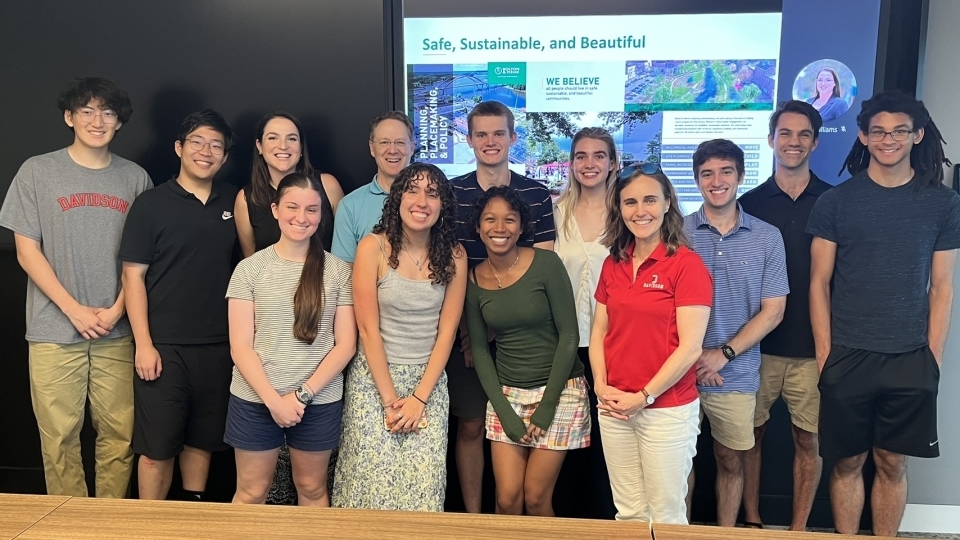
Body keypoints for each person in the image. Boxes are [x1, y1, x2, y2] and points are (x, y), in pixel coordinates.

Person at [807, 91, 960, 537]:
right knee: (848, 461)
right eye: (878, 132)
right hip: (848, 355)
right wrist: (825, 355)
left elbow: (943, 286)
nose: (887, 140)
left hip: (910, 355)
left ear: (917, 135)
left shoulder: (942, 204)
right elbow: (819, 283)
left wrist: (932, 357)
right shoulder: (837, 201)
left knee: (892, 461)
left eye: (898, 131)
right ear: (863, 136)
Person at [0, 77, 152, 497]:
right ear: (70, 117)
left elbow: (143, 258)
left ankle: (108, 522)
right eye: (86, 111)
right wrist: (73, 309)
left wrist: (119, 309)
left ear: (119, 122)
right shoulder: (37, 171)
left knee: (120, 437)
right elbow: (26, 251)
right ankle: (69, 523)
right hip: (53, 329)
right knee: (59, 438)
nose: (97, 120)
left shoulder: (135, 178)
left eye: (107, 112)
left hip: (116, 330)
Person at [333, 163, 466, 511]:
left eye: (432, 193)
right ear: (398, 198)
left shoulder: (455, 256)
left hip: (428, 383)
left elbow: (447, 332)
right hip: (375, 382)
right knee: (367, 490)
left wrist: (419, 399)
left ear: (443, 206)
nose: (422, 201)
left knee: (422, 493)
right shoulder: (373, 247)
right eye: (413, 190)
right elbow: (367, 330)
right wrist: (392, 401)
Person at [119, 109, 238, 501]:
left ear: (224, 156)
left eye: (216, 145)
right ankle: (149, 525)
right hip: (164, 348)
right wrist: (144, 344)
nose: (206, 152)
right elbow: (133, 277)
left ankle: (193, 516)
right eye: (197, 143)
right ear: (179, 148)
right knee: (157, 448)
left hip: (219, 347)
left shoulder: (232, 203)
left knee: (201, 442)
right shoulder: (150, 205)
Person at [233, 111, 344, 504]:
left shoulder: (338, 273)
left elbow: (344, 345)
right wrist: (273, 400)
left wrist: (301, 396)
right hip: (255, 396)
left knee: (313, 488)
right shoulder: (249, 270)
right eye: (292, 208)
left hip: (318, 398)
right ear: (275, 210)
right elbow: (241, 347)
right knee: (251, 491)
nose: (302, 217)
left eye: (312, 210)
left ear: (322, 213)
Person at [449, 100, 556, 513]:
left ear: (513, 138)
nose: (490, 142)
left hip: (523, 334)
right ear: (470, 139)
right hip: (463, 331)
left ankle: (520, 518)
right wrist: (469, 330)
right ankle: (477, 520)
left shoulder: (536, 193)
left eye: (498, 133)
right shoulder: (453, 192)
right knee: (472, 425)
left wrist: (494, 326)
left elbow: (541, 268)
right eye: (481, 134)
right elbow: (448, 260)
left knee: (526, 431)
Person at [591, 162, 712, 523]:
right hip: (614, 406)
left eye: (649, 200)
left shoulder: (686, 266)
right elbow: (599, 331)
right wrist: (600, 385)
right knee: (628, 513)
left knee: (666, 516)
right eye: (630, 202)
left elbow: (690, 348)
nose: (639, 211)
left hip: (665, 410)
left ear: (666, 204)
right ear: (619, 208)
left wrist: (643, 397)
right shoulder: (613, 262)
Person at [682, 139, 789, 527]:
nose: (717, 181)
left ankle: (726, 534)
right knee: (680, 461)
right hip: (679, 371)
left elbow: (774, 311)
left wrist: (722, 354)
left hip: (736, 372)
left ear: (741, 176)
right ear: (696, 180)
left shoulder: (767, 236)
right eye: (707, 173)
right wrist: (693, 357)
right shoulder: (676, 233)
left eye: (726, 171)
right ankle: (681, 533)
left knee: (730, 459)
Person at [464, 186, 588, 517]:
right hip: (507, 394)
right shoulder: (473, 279)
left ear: (521, 227)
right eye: (490, 219)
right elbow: (479, 348)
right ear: (478, 227)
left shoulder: (546, 263)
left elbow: (568, 335)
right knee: (506, 499)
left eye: (509, 219)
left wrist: (546, 407)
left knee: (535, 497)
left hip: (560, 391)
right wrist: (504, 412)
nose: (499, 228)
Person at [739, 100, 829, 531]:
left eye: (803, 134)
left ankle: (798, 529)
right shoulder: (749, 203)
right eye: (786, 134)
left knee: (807, 439)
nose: (794, 142)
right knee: (748, 437)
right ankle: (753, 520)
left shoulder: (833, 202)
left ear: (814, 140)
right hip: (757, 347)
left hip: (813, 348)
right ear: (771, 139)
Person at [553, 127, 619, 516]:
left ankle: (605, 521)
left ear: (613, 163)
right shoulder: (554, 211)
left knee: (608, 438)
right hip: (562, 340)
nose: (589, 163)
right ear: (572, 163)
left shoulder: (628, 213)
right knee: (567, 438)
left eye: (598, 155)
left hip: (613, 343)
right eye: (581, 156)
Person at [235, 112, 344, 257]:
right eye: (273, 138)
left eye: (292, 139)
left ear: (301, 147)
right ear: (259, 146)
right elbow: (251, 261)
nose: (283, 146)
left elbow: (346, 248)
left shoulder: (328, 185)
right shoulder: (246, 199)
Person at [331, 111, 415, 264]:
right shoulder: (350, 206)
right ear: (372, 148)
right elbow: (343, 274)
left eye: (400, 142)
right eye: (384, 142)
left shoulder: (432, 202)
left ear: (412, 147)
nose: (392, 150)